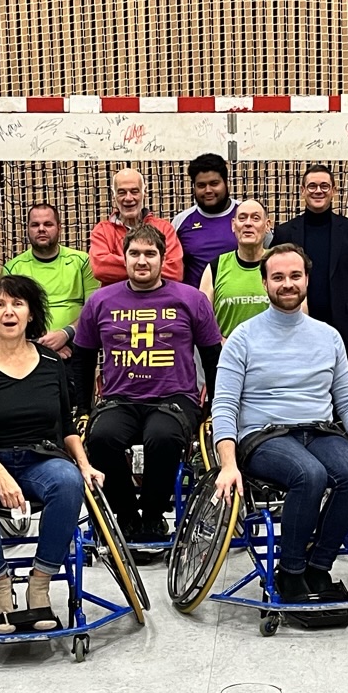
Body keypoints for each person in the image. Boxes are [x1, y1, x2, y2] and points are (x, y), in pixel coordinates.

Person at [209, 243, 348, 605]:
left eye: (295, 276)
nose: (287, 283)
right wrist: (228, 463)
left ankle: (318, 567)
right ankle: (290, 571)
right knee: (309, 475)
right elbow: (225, 405)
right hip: (263, 437)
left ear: (307, 279)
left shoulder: (328, 337)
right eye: (278, 277)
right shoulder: (242, 339)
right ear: (264, 283)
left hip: (318, 430)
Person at [0, 275, 105, 635]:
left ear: (31, 313)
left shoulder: (51, 362)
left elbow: (66, 426)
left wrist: (84, 465)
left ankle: (40, 586)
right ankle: (0, 591)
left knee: (68, 481)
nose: (9, 311)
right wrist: (0, 475)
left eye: (17, 304)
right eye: (0, 304)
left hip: (39, 457)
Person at [68, 223, 223, 547]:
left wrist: (212, 407)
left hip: (174, 397)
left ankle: (153, 518)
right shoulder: (100, 301)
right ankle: (126, 519)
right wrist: (83, 407)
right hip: (120, 398)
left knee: (162, 438)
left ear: (162, 258)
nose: (142, 261)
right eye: (134, 253)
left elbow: (212, 356)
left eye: (150, 254)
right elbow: (82, 357)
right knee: (102, 438)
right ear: (123, 259)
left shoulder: (191, 299)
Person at [271, 165, 348, 352]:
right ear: (303, 191)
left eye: (324, 186)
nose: (318, 191)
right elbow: (272, 273)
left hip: (340, 324)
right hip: (295, 322)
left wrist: (343, 300)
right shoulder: (284, 232)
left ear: (333, 190)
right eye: (312, 186)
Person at [2, 202, 97, 361]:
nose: (41, 229)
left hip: (75, 350)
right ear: (27, 229)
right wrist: (40, 347)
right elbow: (6, 318)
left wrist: (65, 334)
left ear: (59, 227)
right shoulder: (12, 269)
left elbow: (93, 311)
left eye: (48, 224)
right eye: (35, 225)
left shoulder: (82, 262)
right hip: (28, 352)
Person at [88, 168, 185, 286]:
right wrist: (152, 266)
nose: (128, 198)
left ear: (145, 193)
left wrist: (120, 264)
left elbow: (175, 272)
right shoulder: (102, 231)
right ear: (114, 196)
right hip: (118, 302)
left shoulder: (164, 228)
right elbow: (101, 269)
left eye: (134, 191)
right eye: (122, 192)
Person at [198, 199, 272, 340]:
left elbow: (298, 313)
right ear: (233, 225)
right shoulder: (216, 267)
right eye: (242, 218)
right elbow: (202, 320)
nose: (248, 223)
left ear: (267, 225)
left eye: (255, 218)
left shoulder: (279, 263)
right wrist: (224, 346)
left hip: (273, 356)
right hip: (228, 357)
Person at [173, 153, 239, 284]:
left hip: (238, 301)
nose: (208, 190)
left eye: (214, 183)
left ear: (226, 183)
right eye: (201, 185)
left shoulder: (246, 214)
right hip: (195, 302)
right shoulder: (180, 222)